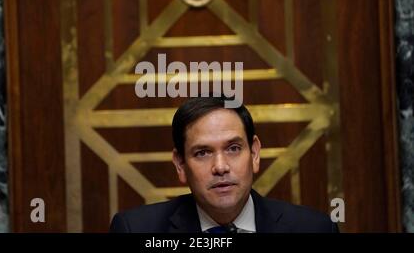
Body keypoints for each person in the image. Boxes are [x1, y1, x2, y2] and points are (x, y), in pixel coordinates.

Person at [110, 95, 339, 233]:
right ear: (180, 164)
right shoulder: (135, 229)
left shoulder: (315, 229)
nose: (220, 166)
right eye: (202, 153)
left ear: (255, 153)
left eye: (233, 148)